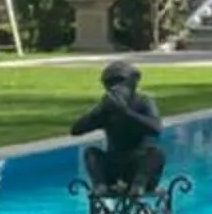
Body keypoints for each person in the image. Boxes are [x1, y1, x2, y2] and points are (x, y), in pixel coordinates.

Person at [69, 61, 167, 197]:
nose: (115, 87)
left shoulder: (143, 102)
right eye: (109, 83)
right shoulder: (107, 108)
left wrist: (126, 113)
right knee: (91, 153)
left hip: (138, 163)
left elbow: (156, 129)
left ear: (133, 82)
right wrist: (100, 112)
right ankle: (101, 185)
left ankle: (139, 185)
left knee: (156, 153)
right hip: (114, 162)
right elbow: (75, 130)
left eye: (120, 81)